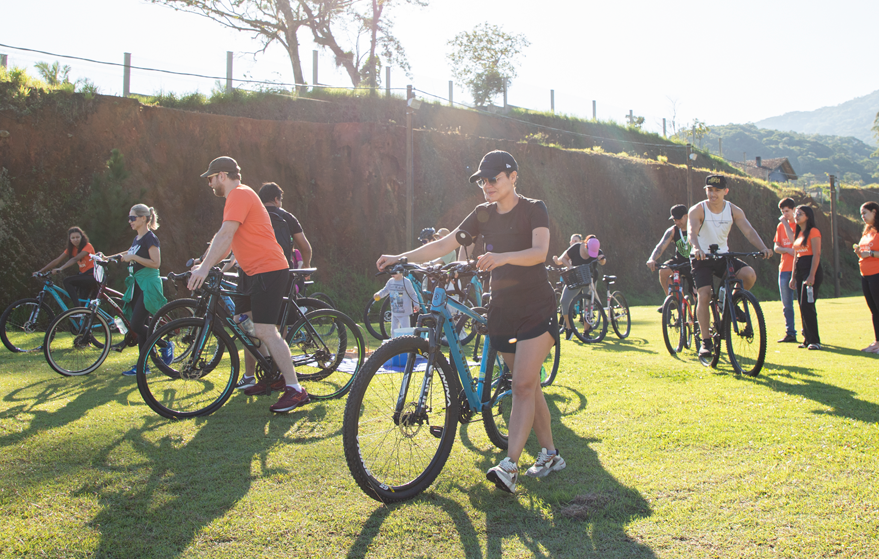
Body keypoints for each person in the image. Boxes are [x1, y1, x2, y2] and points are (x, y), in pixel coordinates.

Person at [377, 150, 564, 494]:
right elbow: (443, 244)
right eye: (482, 181)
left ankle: (510, 466)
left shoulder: (533, 209)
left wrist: (501, 257)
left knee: (523, 385)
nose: (487, 185)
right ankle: (550, 454)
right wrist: (399, 257)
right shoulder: (482, 214)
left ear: (513, 177)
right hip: (503, 309)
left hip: (536, 306)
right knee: (527, 385)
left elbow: (539, 252)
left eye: (494, 179)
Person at [189, 156, 309, 413]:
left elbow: (226, 235)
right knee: (243, 321)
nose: (209, 184)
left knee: (266, 330)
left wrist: (204, 267)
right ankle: (271, 374)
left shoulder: (240, 194)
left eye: (211, 178)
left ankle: (295, 388)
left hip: (269, 269)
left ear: (222, 175)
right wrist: (203, 262)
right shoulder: (235, 199)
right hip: (252, 272)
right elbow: (224, 240)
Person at [688, 174, 772, 358]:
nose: (713, 194)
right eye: (710, 190)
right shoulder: (698, 210)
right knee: (704, 294)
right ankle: (706, 341)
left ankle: (729, 303)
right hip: (702, 258)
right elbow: (692, 232)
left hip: (723, 257)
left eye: (717, 190)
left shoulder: (734, 210)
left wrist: (763, 248)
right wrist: (697, 248)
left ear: (725, 191)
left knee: (749, 274)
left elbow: (749, 231)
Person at [106, 205, 173, 376]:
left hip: (148, 285)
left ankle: (165, 345)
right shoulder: (138, 239)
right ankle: (143, 367)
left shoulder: (151, 238)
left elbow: (156, 263)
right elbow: (128, 252)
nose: (130, 221)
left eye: (132, 218)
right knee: (141, 326)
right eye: (129, 218)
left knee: (136, 325)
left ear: (143, 218)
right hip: (137, 285)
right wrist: (107, 258)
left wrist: (134, 257)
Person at [553, 235, 605, 339]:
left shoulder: (596, 250)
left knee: (588, 304)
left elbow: (603, 262)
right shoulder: (576, 248)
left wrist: (601, 259)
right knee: (564, 301)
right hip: (575, 278)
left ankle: (586, 331)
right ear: (585, 245)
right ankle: (569, 328)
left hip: (589, 280)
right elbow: (563, 259)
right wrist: (570, 266)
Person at [646, 204, 694, 312]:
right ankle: (672, 299)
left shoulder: (695, 228)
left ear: (686, 216)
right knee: (663, 270)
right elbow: (660, 247)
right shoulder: (672, 231)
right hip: (679, 261)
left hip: (694, 263)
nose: (677, 222)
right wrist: (652, 259)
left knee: (698, 295)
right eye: (674, 220)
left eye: (679, 219)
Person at [34, 226, 97, 303]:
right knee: (83, 304)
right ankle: (80, 309)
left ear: (82, 237)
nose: (75, 240)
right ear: (70, 239)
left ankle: (76, 307)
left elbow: (75, 259)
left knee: (67, 281)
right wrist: (40, 271)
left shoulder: (87, 246)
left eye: (77, 237)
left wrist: (61, 268)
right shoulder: (71, 249)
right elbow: (57, 260)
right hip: (83, 276)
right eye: (73, 238)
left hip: (92, 275)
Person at [789, 205, 822, 350]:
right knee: (802, 305)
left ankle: (815, 341)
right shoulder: (799, 233)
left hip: (810, 270)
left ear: (807, 216)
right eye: (796, 213)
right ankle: (807, 339)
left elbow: (816, 254)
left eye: (800, 214)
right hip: (800, 271)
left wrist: (811, 275)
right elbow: (796, 256)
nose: (796, 216)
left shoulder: (813, 231)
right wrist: (793, 277)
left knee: (808, 305)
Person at [774, 198, 798, 343]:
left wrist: (785, 223)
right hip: (784, 269)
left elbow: (794, 241)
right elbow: (776, 247)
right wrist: (787, 250)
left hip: (797, 268)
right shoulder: (780, 226)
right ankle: (790, 332)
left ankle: (807, 332)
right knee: (787, 305)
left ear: (794, 210)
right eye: (783, 212)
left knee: (803, 303)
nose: (785, 214)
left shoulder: (799, 224)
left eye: (787, 211)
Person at [856, 201, 879, 353]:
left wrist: (870, 254)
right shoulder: (867, 232)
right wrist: (859, 252)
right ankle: (877, 342)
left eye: (865, 213)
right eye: (861, 214)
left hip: (877, 274)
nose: (862, 217)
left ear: (874, 212)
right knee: (874, 310)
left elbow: (871, 253)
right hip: (866, 275)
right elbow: (864, 252)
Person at [374, 265, 420, 335]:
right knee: (393, 331)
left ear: (401, 273)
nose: (392, 275)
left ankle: (407, 341)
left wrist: (416, 304)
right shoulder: (391, 281)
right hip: (394, 311)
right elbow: (385, 290)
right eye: (391, 273)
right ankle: (394, 341)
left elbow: (412, 294)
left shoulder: (406, 282)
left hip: (404, 313)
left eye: (395, 273)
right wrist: (379, 294)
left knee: (406, 331)